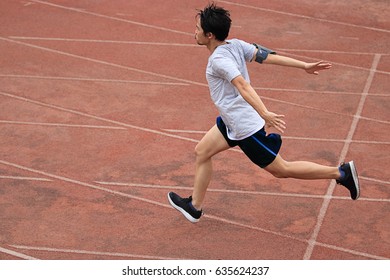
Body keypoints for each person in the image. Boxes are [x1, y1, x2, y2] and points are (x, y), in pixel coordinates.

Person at [168, 3, 359, 223]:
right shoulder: (236, 44)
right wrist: (303, 65)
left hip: (245, 128)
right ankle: (195, 207)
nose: (195, 32)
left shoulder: (219, 61)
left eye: (197, 29)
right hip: (231, 122)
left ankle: (341, 173)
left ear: (209, 35)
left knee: (281, 169)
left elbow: (242, 85)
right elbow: (267, 57)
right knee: (202, 152)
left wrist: (265, 113)